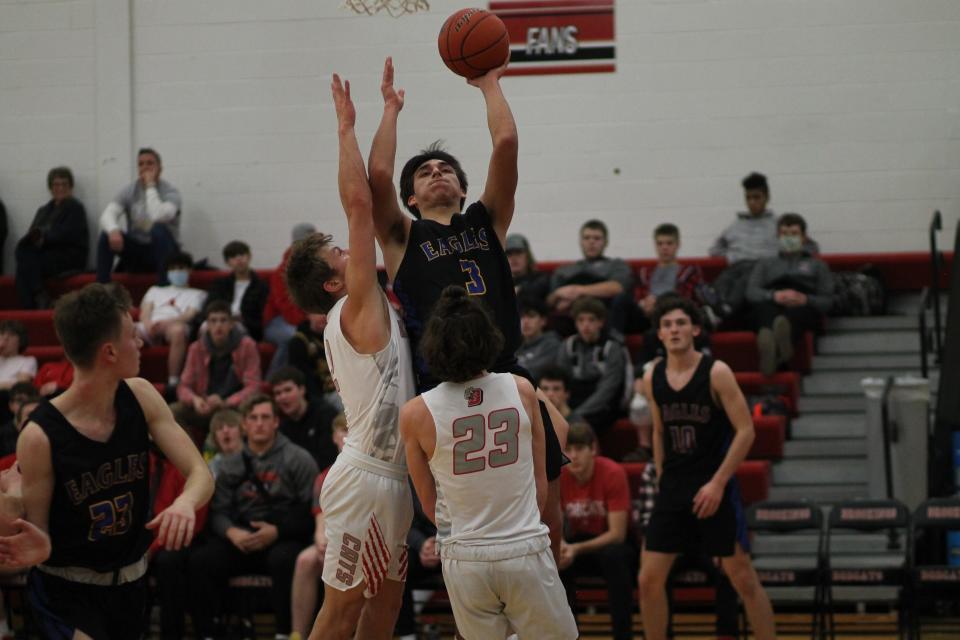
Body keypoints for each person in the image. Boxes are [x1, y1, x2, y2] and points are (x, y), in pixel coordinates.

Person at [367, 56, 568, 556]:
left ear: (461, 186)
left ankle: (553, 588)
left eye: (446, 169)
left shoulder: (487, 221)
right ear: (411, 198)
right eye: (425, 172)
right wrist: (390, 109)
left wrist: (489, 84)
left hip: (506, 371)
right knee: (465, 514)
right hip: (444, 384)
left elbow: (505, 143)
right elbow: (377, 174)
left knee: (549, 492)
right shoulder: (401, 237)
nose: (437, 173)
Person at [0, 283, 213, 639]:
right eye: (133, 335)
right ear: (110, 352)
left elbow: (200, 473)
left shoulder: (142, 396)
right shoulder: (40, 435)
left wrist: (186, 503)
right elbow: (36, 534)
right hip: (66, 592)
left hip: (130, 584)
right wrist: (17, 511)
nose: (142, 343)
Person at [283, 74, 416, 640]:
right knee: (339, 612)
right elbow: (361, 202)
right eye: (338, 249)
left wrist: (390, 112)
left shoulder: (359, 307)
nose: (348, 247)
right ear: (334, 280)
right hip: (364, 476)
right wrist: (346, 128)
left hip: (394, 476)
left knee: (384, 610)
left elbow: (379, 191)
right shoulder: (355, 307)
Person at [400, 285, 577, 639]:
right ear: (488, 338)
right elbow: (542, 485)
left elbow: (428, 505)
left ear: (434, 347)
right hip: (523, 545)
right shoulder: (522, 389)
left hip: (465, 555)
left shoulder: (415, 413)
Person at [637, 296, 775, 640]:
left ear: (695, 329)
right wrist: (662, 474)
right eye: (667, 324)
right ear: (659, 333)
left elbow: (746, 431)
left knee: (742, 578)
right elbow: (657, 430)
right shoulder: (653, 375)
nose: (674, 330)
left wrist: (717, 483)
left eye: (681, 323)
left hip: (713, 486)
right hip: (673, 487)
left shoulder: (716, 372)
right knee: (648, 580)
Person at [188, 394, 318, 638]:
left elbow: (309, 510)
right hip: (241, 537)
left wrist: (277, 531)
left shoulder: (298, 458)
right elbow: (218, 511)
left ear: (276, 422)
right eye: (253, 418)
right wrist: (231, 532)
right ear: (244, 425)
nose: (259, 423)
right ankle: (209, 632)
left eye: (265, 417)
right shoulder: (227, 464)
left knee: (285, 559)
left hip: (282, 536)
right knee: (201, 561)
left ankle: (285, 633)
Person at [559, 422, 637, 640]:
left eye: (579, 449)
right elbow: (553, 522)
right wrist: (563, 547)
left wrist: (575, 549)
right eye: (569, 450)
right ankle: (567, 635)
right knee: (555, 560)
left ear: (593, 449)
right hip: (577, 543)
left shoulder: (612, 472)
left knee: (615, 557)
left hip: (611, 544)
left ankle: (623, 635)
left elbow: (617, 534)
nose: (573, 456)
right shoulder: (560, 475)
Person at [746, 212, 834, 376]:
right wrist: (773, 296)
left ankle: (777, 347)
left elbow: (828, 301)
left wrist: (806, 299)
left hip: (802, 303)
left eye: (794, 234)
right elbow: (751, 292)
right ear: (778, 236)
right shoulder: (765, 263)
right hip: (773, 299)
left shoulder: (818, 265)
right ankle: (770, 341)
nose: (789, 238)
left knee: (796, 315)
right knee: (762, 310)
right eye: (785, 234)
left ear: (804, 237)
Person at [289, 415, 347, 640]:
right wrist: (321, 539)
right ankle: (297, 634)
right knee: (305, 560)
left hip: (359, 541)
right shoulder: (324, 476)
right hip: (333, 541)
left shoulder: (370, 469)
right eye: (342, 430)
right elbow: (319, 518)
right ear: (334, 436)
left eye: (351, 430)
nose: (347, 436)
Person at [173, 300, 262, 444]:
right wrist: (195, 400)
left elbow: (253, 386)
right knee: (172, 412)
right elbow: (183, 386)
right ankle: (191, 453)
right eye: (213, 321)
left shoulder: (247, 346)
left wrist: (226, 402)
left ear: (232, 324)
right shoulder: (196, 348)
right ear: (207, 325)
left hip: (234, 408)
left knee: (226, 423)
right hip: (204, 405)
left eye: (223, 320)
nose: (218, 325)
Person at [96, 148, 181, 284]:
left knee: (158, 229)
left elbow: (157, 216)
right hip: (138, 253)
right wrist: (113, 230)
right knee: (106, 235)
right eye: (141, 164)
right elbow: (108, 214)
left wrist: (150, 186)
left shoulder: (171, 192)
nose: (145, 167)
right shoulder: (129, 190)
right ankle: (102, 289)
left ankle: (163, 288)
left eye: (150, 163)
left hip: (164, 254)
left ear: (160, 168)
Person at [15, 166, 89, 309]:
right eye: (56, 184)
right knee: (23, 256)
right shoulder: (43, 210)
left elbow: (67, 235)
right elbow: (33, 232)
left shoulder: (75, 208)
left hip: (68, 256)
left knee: (25, 264)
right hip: (45, 254)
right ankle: (36, 300)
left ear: (70, 187)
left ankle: (35, 300)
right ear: (50, 188)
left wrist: (44, 238)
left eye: (64, 184)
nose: (60, 188)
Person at [555, 297, 628, 436]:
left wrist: (577, 414)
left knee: (579, 425)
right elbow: (561, 380)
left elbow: (608, 389)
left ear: (601, 322)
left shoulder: (612, 347)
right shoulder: (568, 345)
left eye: (591, 320)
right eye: (581, 320)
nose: (586, 325)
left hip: (604, 405)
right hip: (574, 399)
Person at [547, 219, 635, 332]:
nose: (591, 242)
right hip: (572, 317)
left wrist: (577, 291)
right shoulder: (565, 270)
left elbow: (618, 288)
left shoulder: (617, 265)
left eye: (597, 238)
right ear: (581, 242)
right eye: (587, 238)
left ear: (605, 242)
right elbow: (549, 302)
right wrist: (557, 294)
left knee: (621, 300)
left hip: (605, 315)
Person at [137, 251, 207, 389]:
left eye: (181, 268)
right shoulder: (155, 290)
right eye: (173, 269)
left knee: (178, 332)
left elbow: (190, 315)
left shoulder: (198, 294)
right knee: (125, 330)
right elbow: (145, 311)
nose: (177, 272)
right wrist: (148, 323)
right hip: (152, 323)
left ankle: (173, 381)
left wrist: (167, 323)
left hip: (176, 324)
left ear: (189, 270)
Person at [263, 223, 313, 375]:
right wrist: (307, 326)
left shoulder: (313, 267)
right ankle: (273, 380)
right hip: (276, 322)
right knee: (294, 338)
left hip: (302, 320)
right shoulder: (282, 271)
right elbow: (285, 306)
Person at [270, 366, 340, 471]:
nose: (283, 397)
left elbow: (330, 459)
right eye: (278, 393)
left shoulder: (325, 415)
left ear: (302, 390)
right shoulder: (280, 425)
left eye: (288, 390)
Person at [204, 240, 270, 341]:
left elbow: (262, 316)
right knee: (204, 328)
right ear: (227, 262)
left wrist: (243, 319)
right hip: (219, 319)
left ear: (249, 257)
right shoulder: (220, 284)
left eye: (242, 255)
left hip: (246, 325)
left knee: (232, 329)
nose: (239, 259)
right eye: (234, 257)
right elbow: (209, 306)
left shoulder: (261, 286)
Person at [288, 312, 339, 407]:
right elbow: (305, 380)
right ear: (308, 314)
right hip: (324, 394)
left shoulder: (338, 335)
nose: (323, 317)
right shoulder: (299, 342)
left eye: (326, 312)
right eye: (318, 313)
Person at [516, 296, 562, 383]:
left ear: (543, 321)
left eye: (531, 316)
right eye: (521, 317)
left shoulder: (552, 345)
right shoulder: (515, 345)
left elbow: (534, 373)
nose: (525, 322)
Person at [506, 233, 550, 303]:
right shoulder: (500, 283)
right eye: (509, 253)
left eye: (518, 252)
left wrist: (520, 290)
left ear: (528, 256)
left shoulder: (541, 278)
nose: (514, 258)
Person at [205, 407, 244, 479]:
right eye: (220, 428)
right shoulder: (211, 467)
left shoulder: (255, 459)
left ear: (241, 430)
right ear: (215, 438)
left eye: (231, 426)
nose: (225, 430)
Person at [0, 320, 37, 391]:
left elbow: (20, 385)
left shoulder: (28, 361)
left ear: (21, 340)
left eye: (11, 335)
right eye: (2, 333)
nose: (5, 338)